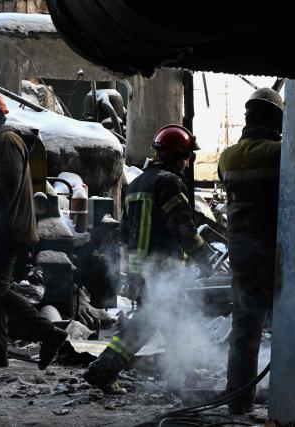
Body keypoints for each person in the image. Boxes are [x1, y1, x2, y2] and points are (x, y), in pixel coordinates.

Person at [83, 124, 212, 392]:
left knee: (165, 322)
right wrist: (203, 256)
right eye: (187, 156)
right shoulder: (170, 182)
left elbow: (127, 233)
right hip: (164, 269)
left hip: (140, 269)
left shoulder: (138, 183)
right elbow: (182, 227)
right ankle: (105, 369)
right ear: (180, 155)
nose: (187, 162)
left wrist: (132, 273)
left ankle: (182, 378)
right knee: (151, 324)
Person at [0, 92, 68, 369]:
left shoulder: (5, 141)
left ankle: (50, 334)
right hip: (1, 229)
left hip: (5, 230)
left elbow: (4, 181)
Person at [217, 87, 284, 414]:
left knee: (244, 333)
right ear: (275, 119)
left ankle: (237, 402)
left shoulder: (227, 156)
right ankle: (288, 400)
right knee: (290, 327)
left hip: (241, 257)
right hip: (274, 258)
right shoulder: (278, 153)